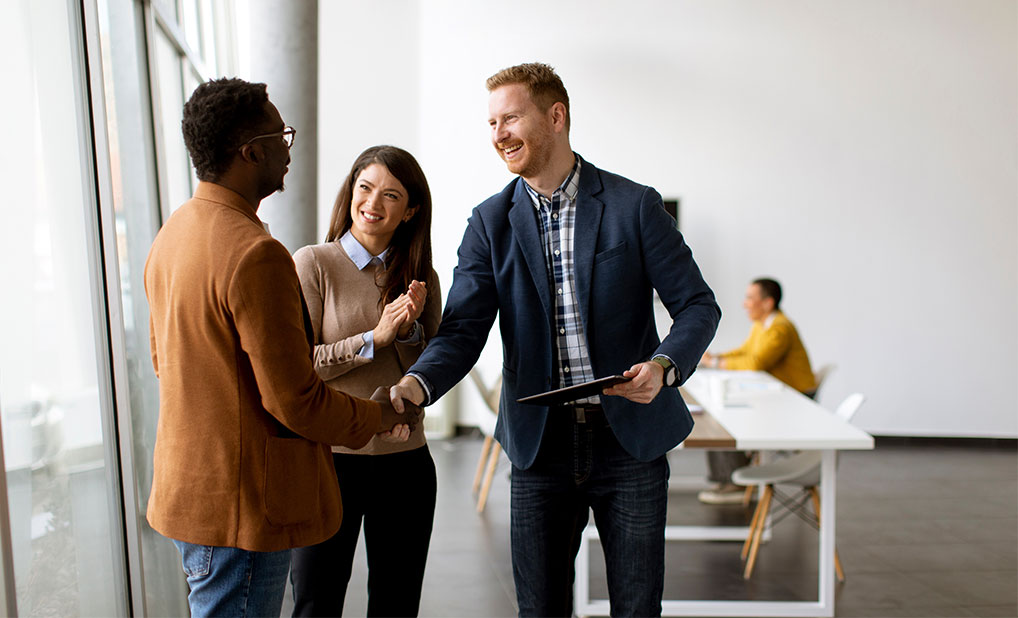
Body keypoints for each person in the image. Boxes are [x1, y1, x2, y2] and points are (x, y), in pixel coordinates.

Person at [389, 63, 721, 617]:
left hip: (630, 443)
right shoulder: (490, 223)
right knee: (539, 610)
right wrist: (417, 383)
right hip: (539, 446)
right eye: (491, 122)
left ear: (556, 116)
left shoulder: (634, 206)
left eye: (510, 118)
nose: (498, 134)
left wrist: (664, 365)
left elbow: (697, 305)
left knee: (638, 609)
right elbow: (465, 328)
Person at [143, 78, 420, 618]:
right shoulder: (255, 253)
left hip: (190, 495)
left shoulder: (174, 231)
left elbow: (164, 361)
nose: (287, 150)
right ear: (251, 152)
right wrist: (380, 413)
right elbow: (294, 399)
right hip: (242, 507)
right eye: (280, 136)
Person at [288, 145, 442, 617]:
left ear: (410, 210)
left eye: (391, 195)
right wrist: (374, 337)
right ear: (350, 192)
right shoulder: (313, 264)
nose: (373, 202)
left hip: (405, 462)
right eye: (365, 187)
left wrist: (411, 328)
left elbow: (433, 370)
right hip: (329, 463)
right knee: (316, 603)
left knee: (397, 605)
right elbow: (301, 367)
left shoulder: (423, 278)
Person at [698, 277, 816, 504]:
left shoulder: (779, 328)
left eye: (750, 298)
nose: (745, 304)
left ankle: (734, 482)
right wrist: (716, 357)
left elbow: (755, 362)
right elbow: (745, 352)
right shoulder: (762, 325)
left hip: (795, 401)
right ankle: (731, 479)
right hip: (777, 395)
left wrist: (714, 363)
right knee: (722, 413)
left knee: (723, 420)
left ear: (768, 303)